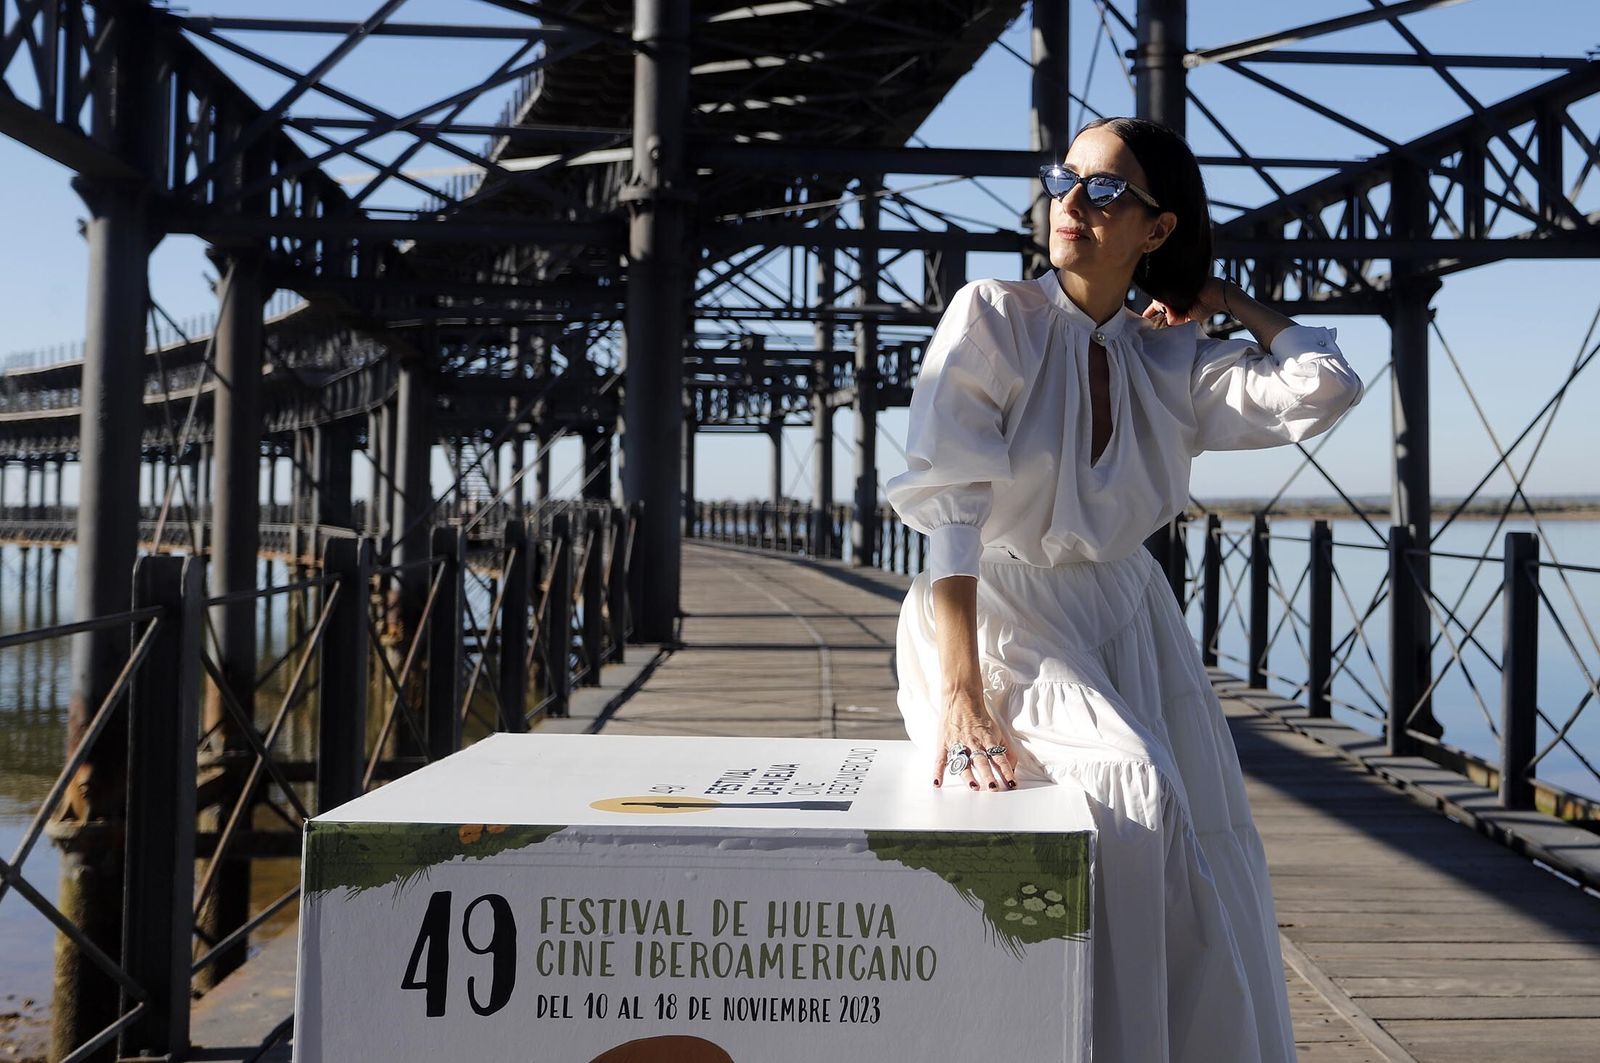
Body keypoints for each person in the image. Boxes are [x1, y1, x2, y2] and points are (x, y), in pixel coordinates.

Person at [885, 116, 1364, 1062]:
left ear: (1156, 227)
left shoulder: (1168, 357)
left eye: (1106, 191)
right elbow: (950, 512)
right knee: (1135, 786)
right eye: (1064, 179)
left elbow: (1322, 385)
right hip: (1001, 612)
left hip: (1130, 612)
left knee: (1197, 847)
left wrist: (1209, 291)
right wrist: (961, 690)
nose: (1072, 202)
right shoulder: (993, 317)